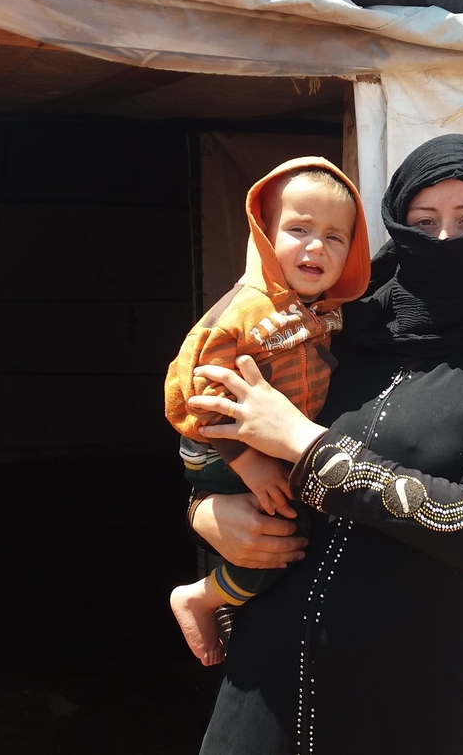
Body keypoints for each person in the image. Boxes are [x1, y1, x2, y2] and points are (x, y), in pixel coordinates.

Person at [185, 134, 463, 754]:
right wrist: (207, 512)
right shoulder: (339, 322)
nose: (446, 239)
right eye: (424, 222)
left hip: (403, 707)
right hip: (262, 690)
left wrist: (306, 445)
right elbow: (214, 418)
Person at [164, 158, 371, 666]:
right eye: (299, 229)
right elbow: (196, 392)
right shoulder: (245, 311)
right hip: (220, 448)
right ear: (265, 233)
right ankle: (200, 597)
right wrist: (250, 463)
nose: (316, 246)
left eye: (335, 237)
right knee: (278, 544)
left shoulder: (322, 313)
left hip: (260, 445)